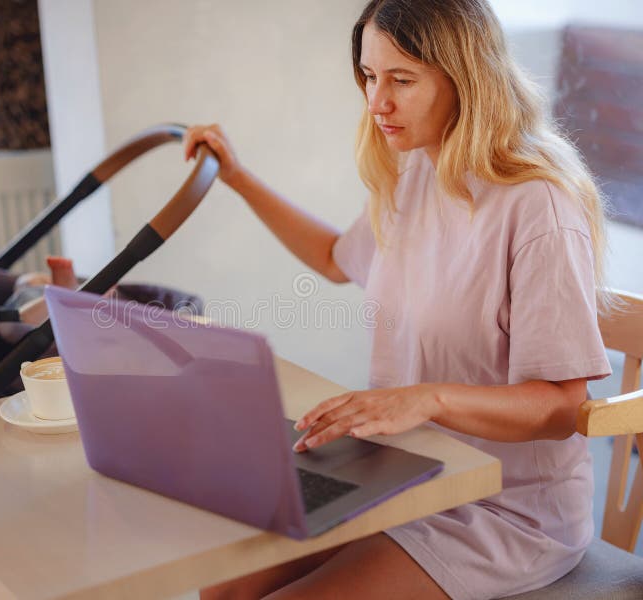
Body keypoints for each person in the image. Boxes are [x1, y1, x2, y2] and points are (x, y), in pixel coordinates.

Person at [183, 0, 612, 598]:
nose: (376, 102)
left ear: (466, 77)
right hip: (402, 474)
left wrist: (427, 400)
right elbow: (336, 258)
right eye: (369, 76)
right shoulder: (414, 174)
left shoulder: (537, 206)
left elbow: (562, 406)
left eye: (401, 80)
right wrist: (237, 177)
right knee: (221, 585)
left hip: (504, 509)